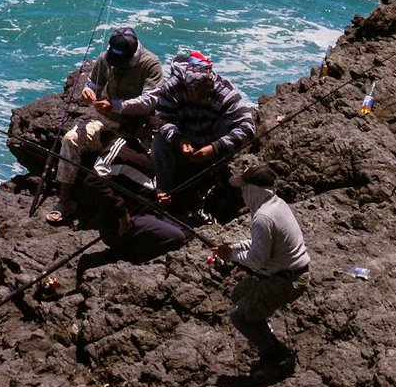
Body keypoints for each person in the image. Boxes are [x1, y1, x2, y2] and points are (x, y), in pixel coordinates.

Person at [116, 50, 256, 225]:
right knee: (160, 141)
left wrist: (215, 147)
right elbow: (163, 118)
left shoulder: (224, 93)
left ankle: (212, 185)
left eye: (204, 93)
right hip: (184, 136)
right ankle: (162, 191)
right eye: (195, 92)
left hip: (212, 138)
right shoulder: (171, 88)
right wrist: (179, 140)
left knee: (226, 125)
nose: (199, 97)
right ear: (186, 85)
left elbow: (248, 127)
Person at [48, 26, 163, 224]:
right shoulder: (105, 58)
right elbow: (93, 83)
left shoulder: (150, 64)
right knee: (70, 139)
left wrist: (116, 106)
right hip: (105, 123)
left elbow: (150, 100)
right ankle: (64, 201)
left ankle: (133, 210)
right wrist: (88, 92)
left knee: (143, 164)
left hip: (135, 129)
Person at [212, 159, 310, 377]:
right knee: (240, 293)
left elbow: (257, 261)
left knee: (239, 317)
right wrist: (234, 248)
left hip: (287, 280)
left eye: (245, 188)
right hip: (293, 272)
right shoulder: (276, 204)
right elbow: (260, 245)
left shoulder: (263, 218)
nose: (242, 193)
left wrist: (231, 256)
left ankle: (277, 356)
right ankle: (264, 328)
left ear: (255, 190)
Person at [35, 186, 190, 298]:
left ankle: (119, 255)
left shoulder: (143, 154)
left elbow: (142, 184)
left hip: (146, 212)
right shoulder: (120, 150)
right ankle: (115, 256)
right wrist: (122, 214)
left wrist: (157, 194)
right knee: (176, 237)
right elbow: (96, 182)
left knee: (186, 233)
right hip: (122, 221)